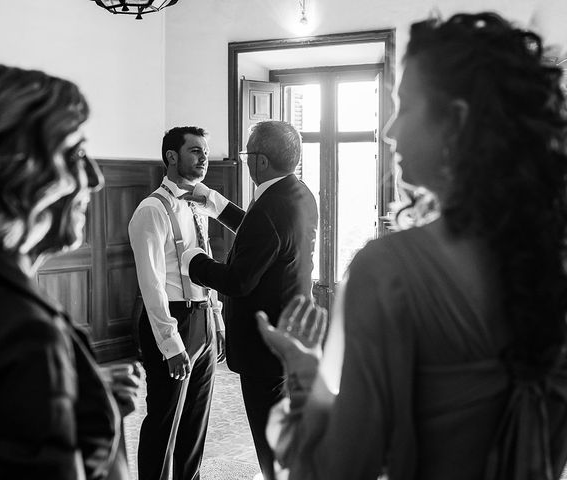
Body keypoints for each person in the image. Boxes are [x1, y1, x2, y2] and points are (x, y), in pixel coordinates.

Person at [257, 11, 567, 480]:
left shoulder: (388, 271)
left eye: (405, 106)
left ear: (455, 122)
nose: (390, 130)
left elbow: (340, 468)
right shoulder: (552, 260)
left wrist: (308, 378)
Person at [0, 64, 140, 480]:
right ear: (18, 169)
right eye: (77, 154)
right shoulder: (22, 334)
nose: (96, 179)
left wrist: (75, 387)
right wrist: (100, 419)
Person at [181, 120, 319, 480]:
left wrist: (194, 262)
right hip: (292, 334)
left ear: (259, 161)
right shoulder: (299, 193)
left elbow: (239, 280)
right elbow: (265, 238)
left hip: (263, 347)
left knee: (269, 439)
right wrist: (217, 203)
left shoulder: (269, 209)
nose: (243, 161)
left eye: (245, 154)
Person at [128, 126, 226, 480]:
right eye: (195, 151)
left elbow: (206, 267)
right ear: (171, 156)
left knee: (196, 423)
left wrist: (217, 320)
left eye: (206, 152)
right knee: (164, 420)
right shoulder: (151, 210)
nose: (204, 159)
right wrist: (170, 342)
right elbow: (151, 283)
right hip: (171, 321)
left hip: (202, 321)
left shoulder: (198, 206)